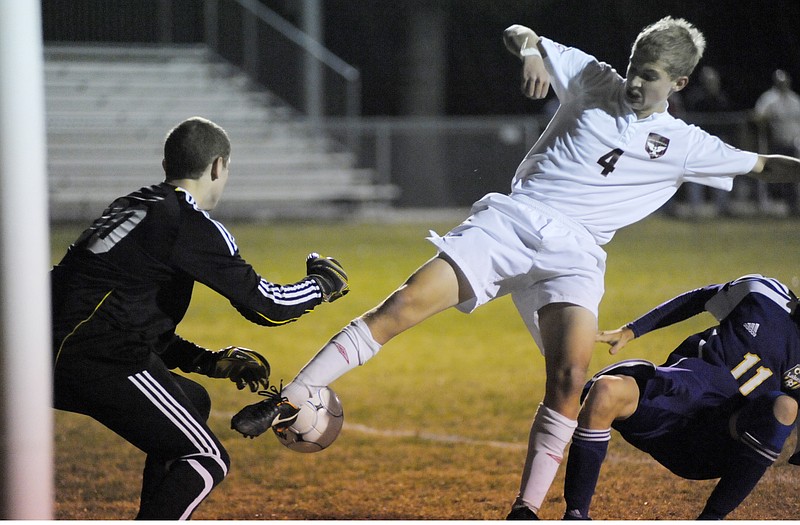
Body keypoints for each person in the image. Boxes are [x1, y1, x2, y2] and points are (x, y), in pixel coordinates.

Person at [230, 17, 800, 519]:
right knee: (404, 305)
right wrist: (529, 51)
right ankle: (293, 394)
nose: (633, 81)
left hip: (576, 255)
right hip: (515, 220)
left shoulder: (686, 143)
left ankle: (525, 511)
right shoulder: (594, 78)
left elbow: (764, 166)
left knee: (571, 378)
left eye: (648, 75)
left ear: (677, 83)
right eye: (633, 66)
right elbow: (519, 32)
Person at [51, 116, 350, 519]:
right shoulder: (187, 223)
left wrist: (207, 361)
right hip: (94, 360)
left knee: (193, 401)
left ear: (166, 166)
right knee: (207, 459)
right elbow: (268, 306)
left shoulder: (130, 206)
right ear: (217, 167)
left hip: (43, 351)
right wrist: (321, 285)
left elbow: (118, 312)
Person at [562, 274, 800, 520]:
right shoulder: (763, 293)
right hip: (673, 398)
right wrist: (633, 330)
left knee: (785, 406)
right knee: (605, 390)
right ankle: (575, 515)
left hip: (718, 442)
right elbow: (700, 298)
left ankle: (710, 518)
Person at [754, 69, 800, 216]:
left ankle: (793, 206)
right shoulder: (769, 98)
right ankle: (769, 205)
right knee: (774, 174)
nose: (783, 84)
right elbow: (758, 117)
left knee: (793, 175)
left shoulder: (794, 99)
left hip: (794, 142)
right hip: (776, 143)